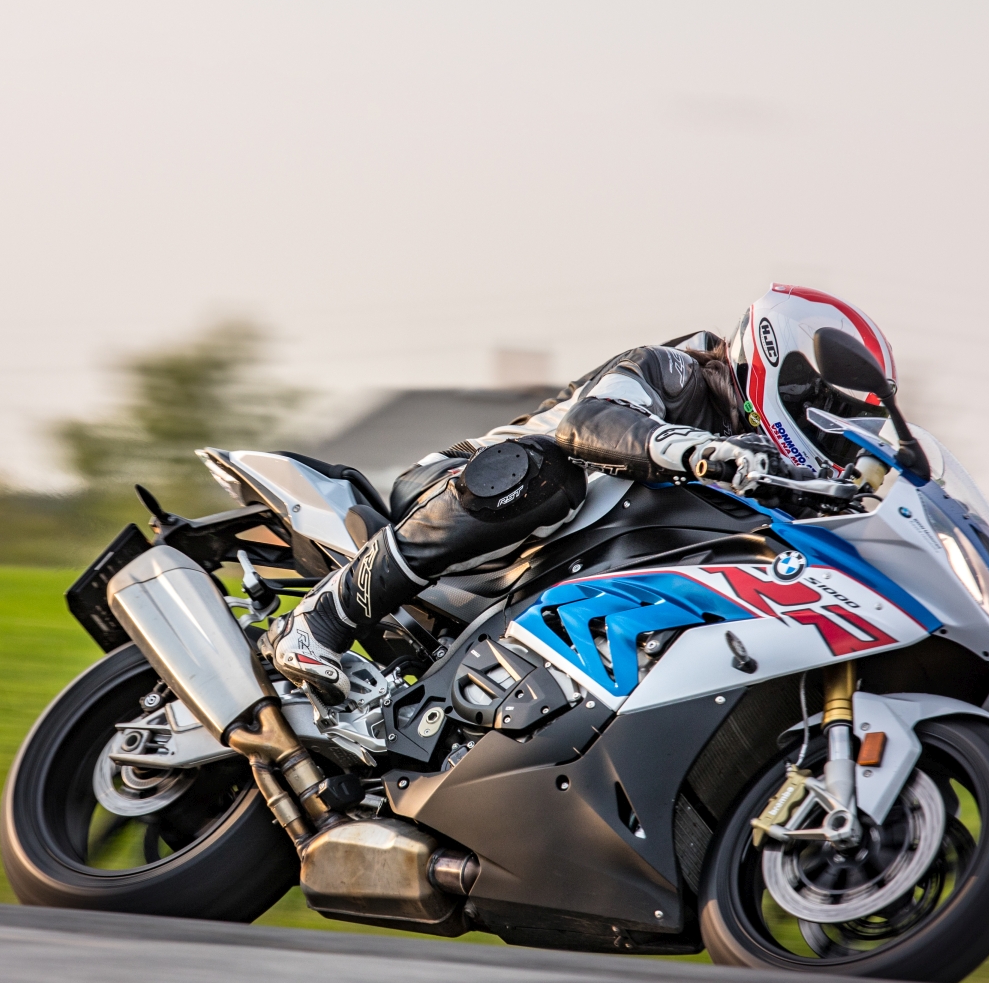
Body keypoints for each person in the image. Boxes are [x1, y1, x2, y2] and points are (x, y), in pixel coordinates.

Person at [268, 284, 897, 704]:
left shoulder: (775, 476)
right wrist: (699, 450)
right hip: (469, 492)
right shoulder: (675, 371)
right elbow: (588, 425)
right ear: (782, 365)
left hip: (556, 567)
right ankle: (320, 619)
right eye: (827, 410)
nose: (832, 435)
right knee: (547, 475)